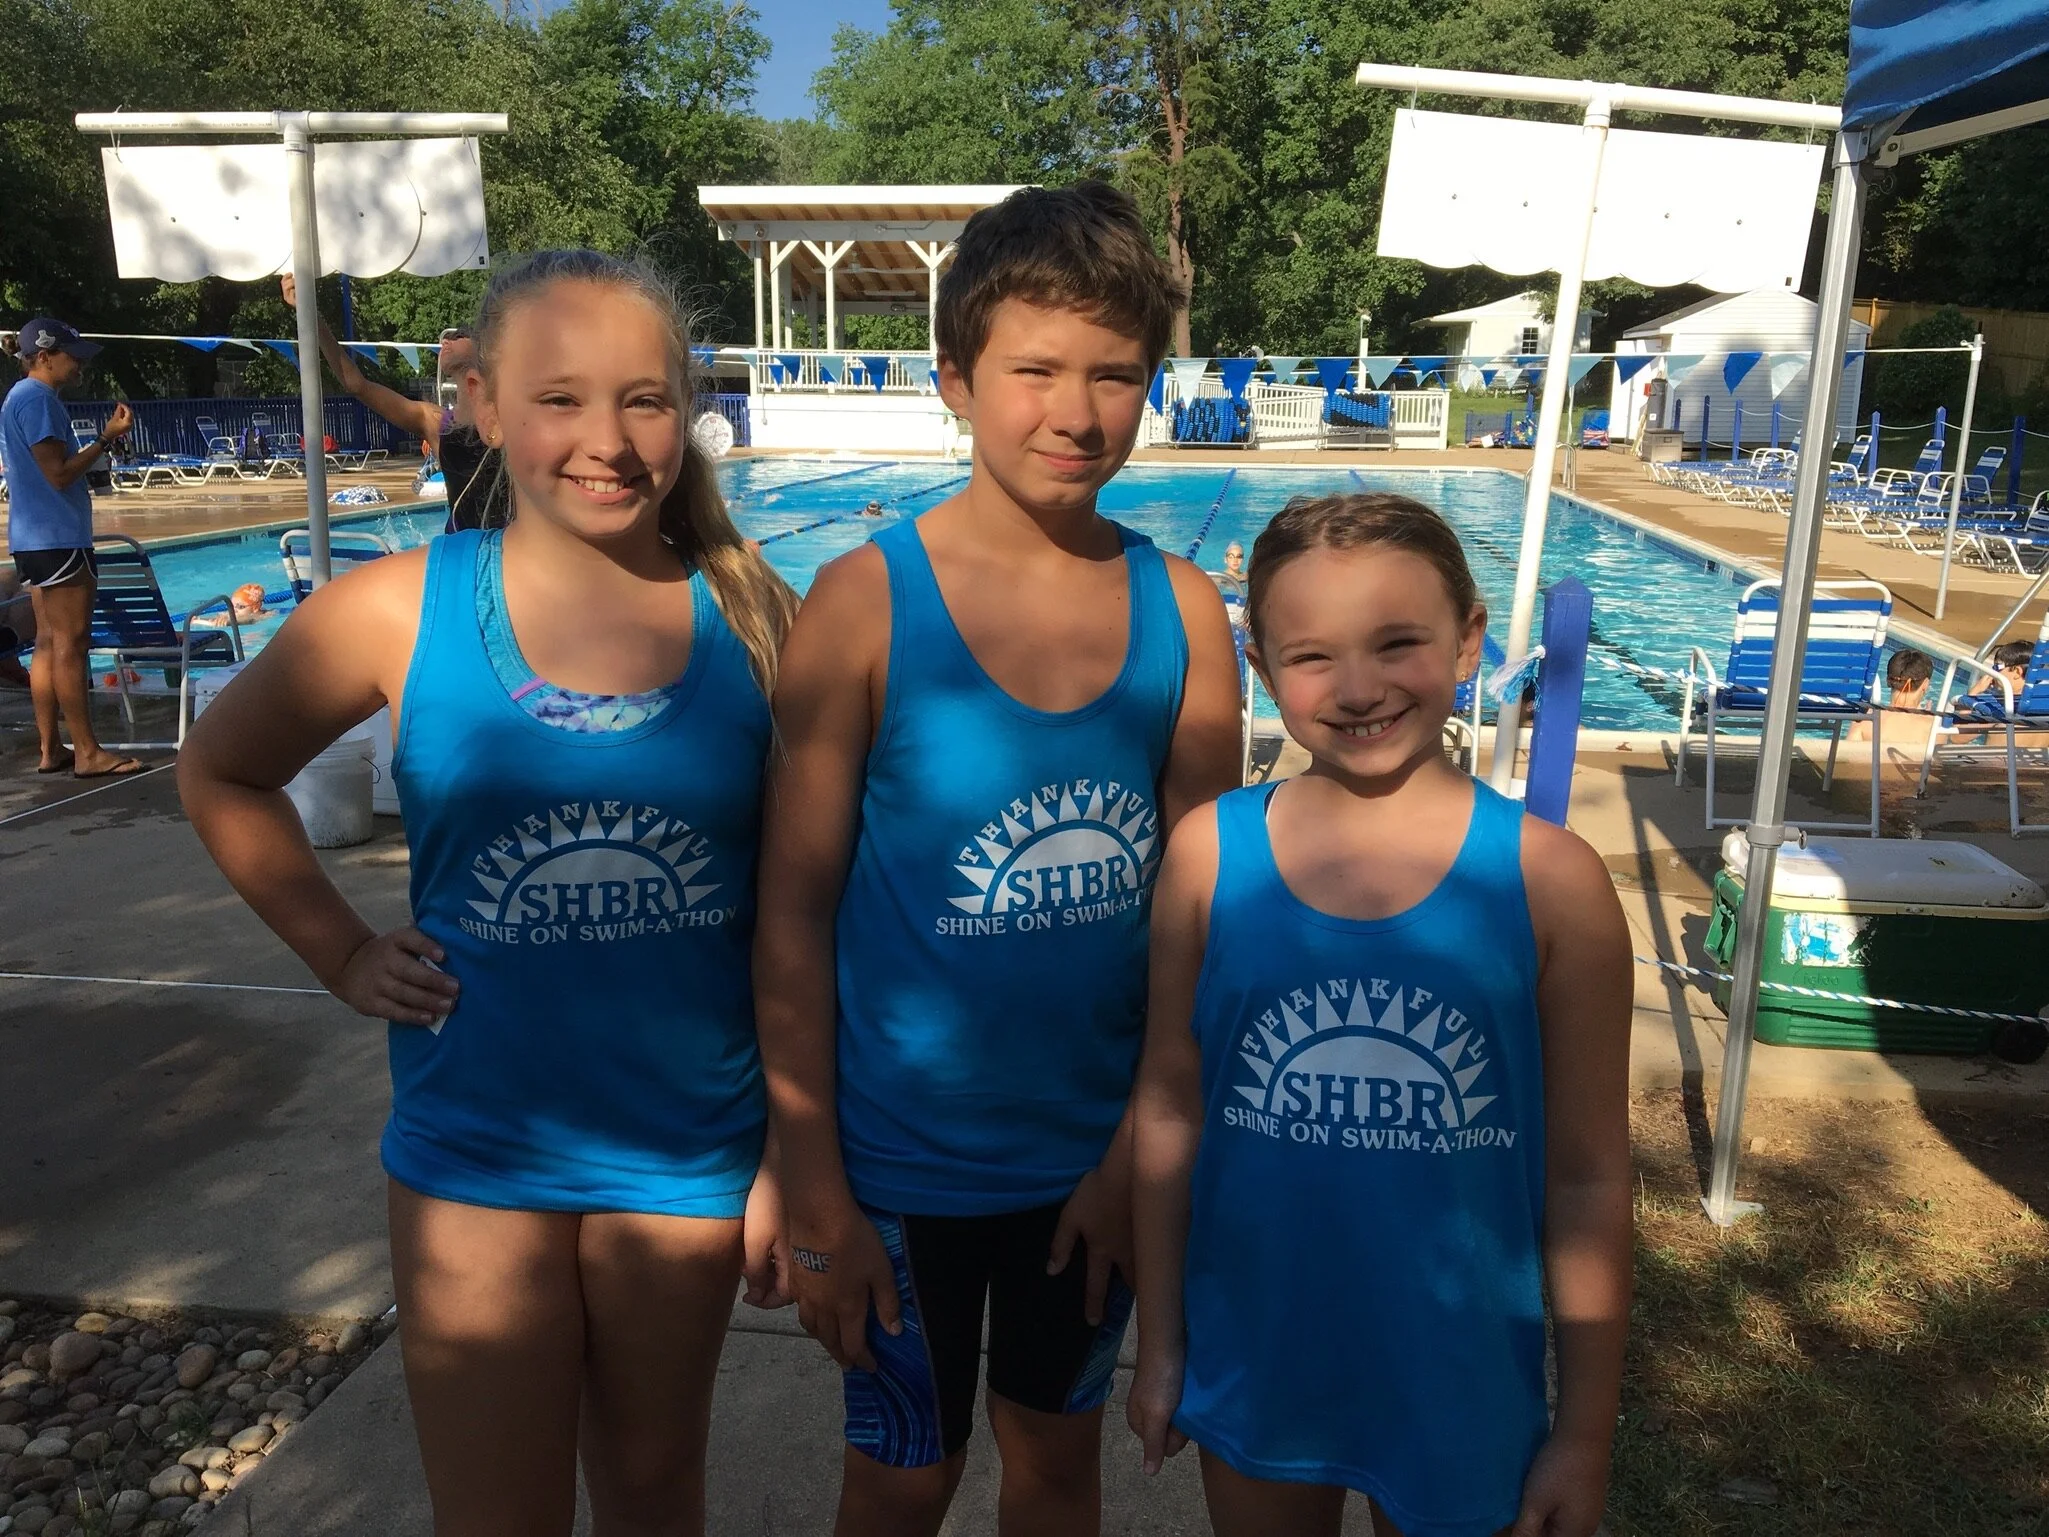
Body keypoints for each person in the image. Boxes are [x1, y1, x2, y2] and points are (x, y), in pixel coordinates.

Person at [183, 250, 798, 1537]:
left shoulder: (754, 620)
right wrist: (341, 953)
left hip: (684, 1149)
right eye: (560, 398)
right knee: (498, 1514)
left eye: (645, 399)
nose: (608, 440)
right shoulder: (397, 609)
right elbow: (222, 771)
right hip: (479, 1149)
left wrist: (795, 1151)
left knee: (651, 1494)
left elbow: (816, 907)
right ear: (482, 402)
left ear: (688, 410)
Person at [754, 182, 1243, 1537]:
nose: (1074, 413)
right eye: (1032, 370)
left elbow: (1203, 924)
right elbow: (789, 913)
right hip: (894, 1169)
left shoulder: (1186, 615)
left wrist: (1133, 1158)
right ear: (955, 379)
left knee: (1052, 1459)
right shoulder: (863, 604)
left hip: (1085, 1164)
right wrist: (812, 1187)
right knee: (902, 1470)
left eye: (1115, 375)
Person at [1127, 493, 1634, 1537]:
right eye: (1312, 657)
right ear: (1263, 672)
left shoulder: (1551, 884)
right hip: (1261, 1356)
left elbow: (1585, 1175)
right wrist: (1164, 1340)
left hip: (1460, 1380)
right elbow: (1171, 1109)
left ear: (1468, 644)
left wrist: (1585, 1432)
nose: (1358, 688)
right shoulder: (1208, 857)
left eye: (1398, 642)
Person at [2, 318, 142, 777]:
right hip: (58, 539)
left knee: (46, 643)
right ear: (43, 356)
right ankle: (87, 752)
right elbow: (58, 474)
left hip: (33, 538)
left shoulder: (17, 398)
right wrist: (105, 439)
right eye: (72, 355)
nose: (79, 363)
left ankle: (51, 749)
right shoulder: (38, 400)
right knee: (71, 643)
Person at [279, 274, 504, 531]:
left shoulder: (509, 417)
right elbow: (356, 385)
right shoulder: (436, 423)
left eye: (459, 335)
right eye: (446, 337)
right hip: (460, 554)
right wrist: (310, 313)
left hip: (510, 553)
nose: (446, 340)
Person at [1848, 648, 1932, 744]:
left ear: (1888, 679)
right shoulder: (1933, 727)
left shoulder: (1864, 718)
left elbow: (1846, 755)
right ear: (1925, 684)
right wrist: (1929, 717)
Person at [191, 582, 273, 630]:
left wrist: (226, 622)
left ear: (255, 608)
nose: (234, 610)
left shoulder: (263, 616)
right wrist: (200, 619)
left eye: (240, 607)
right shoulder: (235, 613)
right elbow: (217, 618)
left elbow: (247, 621)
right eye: (232, 606)